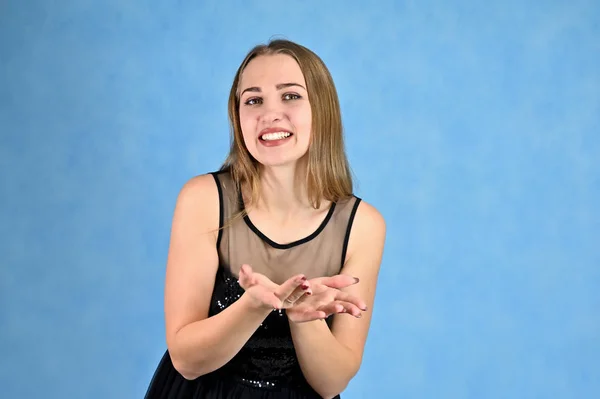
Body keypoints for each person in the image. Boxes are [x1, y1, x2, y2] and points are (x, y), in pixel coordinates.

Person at [144, 39, 386, 399]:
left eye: (290, 96)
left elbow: (331, 382)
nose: (270, 114)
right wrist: (254, 304)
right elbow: (186, 359)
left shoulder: (363, 225)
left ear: (322, 109)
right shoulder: (203, 198)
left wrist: (306, 318)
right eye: (253, 100)